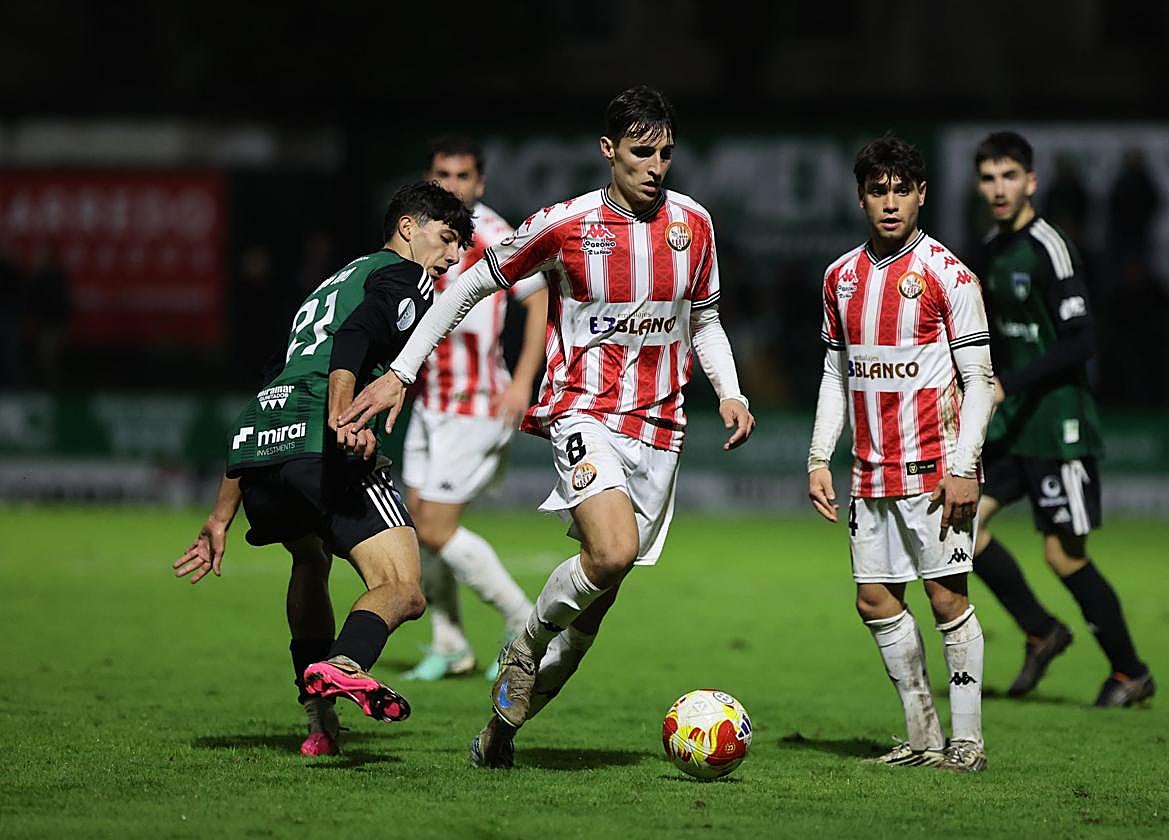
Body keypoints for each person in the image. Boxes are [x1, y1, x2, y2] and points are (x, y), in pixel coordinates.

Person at [338, 85, 755, 768]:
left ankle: (499, 733)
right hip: (583, 411)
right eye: (641, 152)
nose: (655, 166)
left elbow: (704, 319)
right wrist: (403, 372)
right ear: (609, 150)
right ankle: (524, 641)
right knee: (611, 553)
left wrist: (730, 393)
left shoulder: (694, 224)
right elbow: (468, 286)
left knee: (592, 611)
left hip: (660, 429)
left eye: (665, 154)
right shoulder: (565, 224)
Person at [173, 182, 474, 755]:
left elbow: (274, 381)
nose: (454, 256)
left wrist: (219, 517)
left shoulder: (332, 284)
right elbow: (357, 336)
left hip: (264, 448)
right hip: (321, 442)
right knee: (402, 589)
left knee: (310, 560)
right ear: (408, 227)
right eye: (447, 238)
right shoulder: (405, 276)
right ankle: (345, 663)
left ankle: (320, 725)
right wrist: (341, 414)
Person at [807, 136, 994, 772]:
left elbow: (980, 383)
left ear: (921, 195)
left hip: (935, 469)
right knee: (874, 600)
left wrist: (964, 469)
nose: (890, 203)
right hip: (869, 472)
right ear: (861, 198)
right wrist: (818, 457)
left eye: (901, 191)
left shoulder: (950, 275)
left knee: (946, 600)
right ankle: (923, 736)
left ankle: (967, 743)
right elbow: (836, 374)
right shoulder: (840, 277)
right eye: (877, 191)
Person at [970, 131, 1154, 706]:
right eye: (989, 178)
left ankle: (1130, 672)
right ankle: (1042, 630)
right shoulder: (991, 248)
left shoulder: (1050, 246)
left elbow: (1081, 341)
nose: (999, 189)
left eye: (1009, 176)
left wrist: (1008, 383)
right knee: (962, 529)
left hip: (1058, 425)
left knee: (1063, 555)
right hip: (1014, 425)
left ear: (1031, 182)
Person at [398, 136, 547, 682]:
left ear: (479, 183)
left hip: (477, 401)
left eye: (463, 176)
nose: (453, 185)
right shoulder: (420, 233)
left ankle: (523, 622)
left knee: (436, 527)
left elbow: (539, 299)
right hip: (428, 400)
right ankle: (451, 644)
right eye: (443, 174)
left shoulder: (495, 235)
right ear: (429, 177)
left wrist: (523, 382)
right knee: (416, 526)